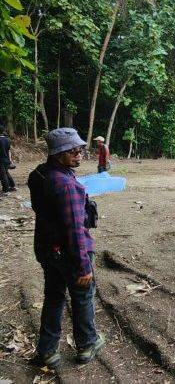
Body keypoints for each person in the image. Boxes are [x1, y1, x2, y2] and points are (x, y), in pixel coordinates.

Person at [28, 128, 105, 369]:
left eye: (80, 149)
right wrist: (83, 266)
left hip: (47, 249)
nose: (79, 154)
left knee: (53, 297)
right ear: (57, 153)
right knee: (82, 296)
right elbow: (74, 230)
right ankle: (87, 344)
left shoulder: (38, 174)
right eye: (72, 151)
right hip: (69, 252)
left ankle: (47, 351)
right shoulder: (65, 185)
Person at [0, 126, 16, 194]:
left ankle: (6, 189)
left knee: (3, 174)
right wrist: (10, 160)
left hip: (1, 160)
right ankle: (12, 186)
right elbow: (9, 151)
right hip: (6, 159)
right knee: (6, 173)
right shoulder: (7, 139)